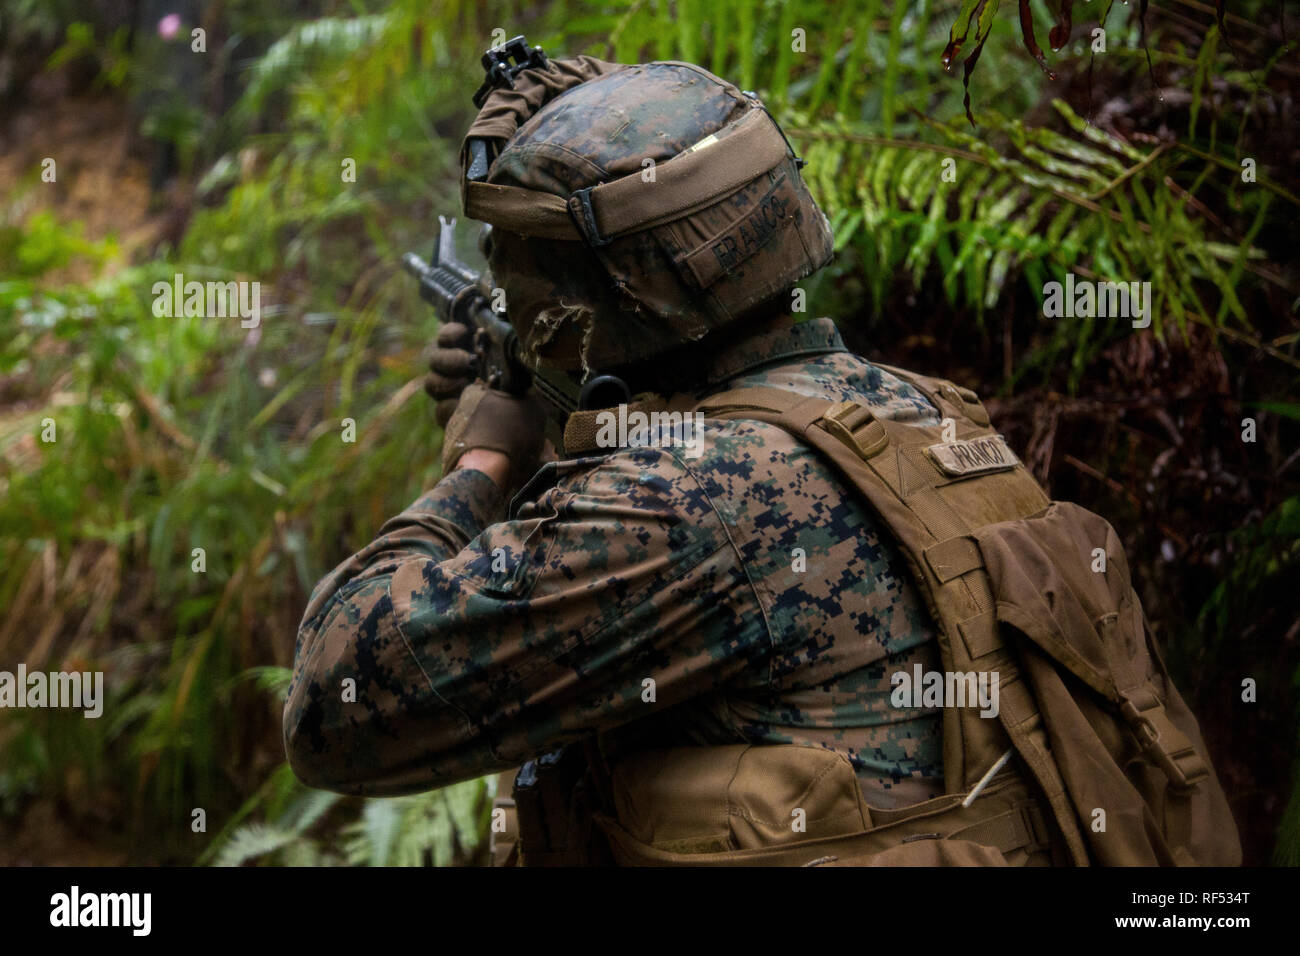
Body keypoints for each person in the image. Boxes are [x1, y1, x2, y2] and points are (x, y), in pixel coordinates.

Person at [284, 45, 1239, 867]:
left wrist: (482, 464)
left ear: (590, 303)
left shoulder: (687, 501)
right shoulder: (920, 416)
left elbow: (337, 706)